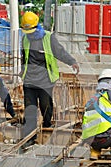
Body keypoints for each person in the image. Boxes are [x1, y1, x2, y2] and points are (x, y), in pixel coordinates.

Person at [20, 11, 80, 146]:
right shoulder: (25, 39)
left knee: (46, 105)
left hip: (45, 80)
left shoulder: (48, 38)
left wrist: (72, 62)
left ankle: (47, 125)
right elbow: (24, 58)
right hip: (29, 81)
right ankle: (29, 138)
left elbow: (60, 52)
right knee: (30, 109)